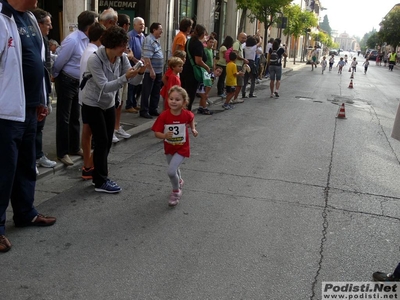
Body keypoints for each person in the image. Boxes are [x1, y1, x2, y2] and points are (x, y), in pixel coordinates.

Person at [0, 0, 57, 253]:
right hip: (6, 111)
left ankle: (25, 213)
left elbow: (40, 63)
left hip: (30, 108)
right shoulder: (1, 16)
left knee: (26, 165)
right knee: (3, 172)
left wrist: (42, 99)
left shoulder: (32, 18)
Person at [80, 26, 144, 193]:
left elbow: (132, 81)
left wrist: (140, 72)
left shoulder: (121, 58)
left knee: (107, 140)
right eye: (122, 45)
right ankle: (100, 180)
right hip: (92, 102)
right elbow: (104, 86)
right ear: (112, 44)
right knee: (101, 140)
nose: (125, 49)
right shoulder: (95, 60)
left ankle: (98, 173)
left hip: (108, 103)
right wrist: (126, 77)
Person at [53, 10, 98, 166]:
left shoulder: (87, 40)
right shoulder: (73, 40)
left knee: (75, 116)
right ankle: (62, 152)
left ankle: (73, 147)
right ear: (90, 25)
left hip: (77, 81)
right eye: (96, 22)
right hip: (66, 80)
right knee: (64, 118)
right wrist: (56, 77)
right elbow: (59, 62)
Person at [151, 86, 198, 207]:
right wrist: (164, 135)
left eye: (177, 99)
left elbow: (191, 117)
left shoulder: (186, 114)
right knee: (174, 168)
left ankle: (176, 191)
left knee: (171, 172)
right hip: (169, 148)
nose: (173, 101)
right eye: (171, 98)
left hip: (182, 148)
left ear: (184, 102)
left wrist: (193, 128)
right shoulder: (164, 116)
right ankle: (180, 181)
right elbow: (156, 133)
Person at [31, 8, 57, 170]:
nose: (51, 27)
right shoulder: (29, 40)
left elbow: (46, 66)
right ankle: (30, 159)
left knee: (40, 126)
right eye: (48, 24)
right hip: (31, 92)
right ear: (38, 24)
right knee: (30, 128)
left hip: (43, 89)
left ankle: (38, 155)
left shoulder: (45, 41)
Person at [79, 23, 106, 180]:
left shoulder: (88, 50)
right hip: (91, 98)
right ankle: (88, 165)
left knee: (87, 131)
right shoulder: (94, 53)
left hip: (84, 96)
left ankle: (87, 165)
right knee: (94, 134)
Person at [181, 24, 212, 114]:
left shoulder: (189, 41)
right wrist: (207, 67)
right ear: (202, 34)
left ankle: (182, 114)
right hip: (192, 73)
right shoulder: (198, 44)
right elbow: (198, 60)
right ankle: (187, 116)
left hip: (185, 70)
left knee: (184, 93)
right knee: (190, 95)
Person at [113, 13, 134, 143]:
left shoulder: (125, 38)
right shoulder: (115, 37)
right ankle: (112, 129)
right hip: (117, 75)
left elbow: (129, 53)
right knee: (115, 102)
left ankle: (116, 126)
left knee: (120, 102)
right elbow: (127, 54)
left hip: (124, 73)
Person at [140, 22, 164, 119]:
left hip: (158, 71)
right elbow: (147, 57)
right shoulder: (149, 40)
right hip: (151, 71)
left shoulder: (156, 40)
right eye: (160, 30)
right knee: (147, 91)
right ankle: (144, 110)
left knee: (156, 91)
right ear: (154, 30)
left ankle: (153, 109)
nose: (161, 32)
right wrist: (151, 70)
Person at [126, 17, 145, 113]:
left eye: (143, 24)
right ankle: (129, 105)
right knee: (131, 85)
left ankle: (134, 103)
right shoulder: (130, 36)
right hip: (132, 64)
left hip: (140, 65)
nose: (143, 26)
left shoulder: (143, 36)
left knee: (138, 86)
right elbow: (129, 50)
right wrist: (135, 60)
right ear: (134, 25)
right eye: (140, 24)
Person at [231, 32, 249, 102]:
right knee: (239, 83)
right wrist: (243, 59)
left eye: (245, 38)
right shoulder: (237, 44)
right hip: (237, 65)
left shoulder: (240, 44)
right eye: (243, 38)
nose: (244, 40)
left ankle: (234, 97)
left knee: (238, 83)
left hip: (239, 65)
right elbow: (235, 54)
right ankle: (235, 98)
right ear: (239, 37)